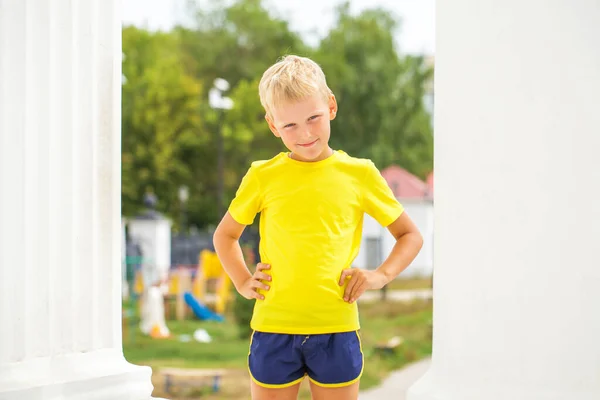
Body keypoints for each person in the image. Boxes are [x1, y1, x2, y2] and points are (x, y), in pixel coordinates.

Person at [213, 55, 423, 400]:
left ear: (331, 106)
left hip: (336, 329)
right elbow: (225, 235)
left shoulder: (360, 174)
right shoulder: (262, 176)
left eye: (314, 118)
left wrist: (379, 276)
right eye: (290, 125)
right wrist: (241, 280)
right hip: (273, 327)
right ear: (272, 125)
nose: (306, 133)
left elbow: (409, 235)